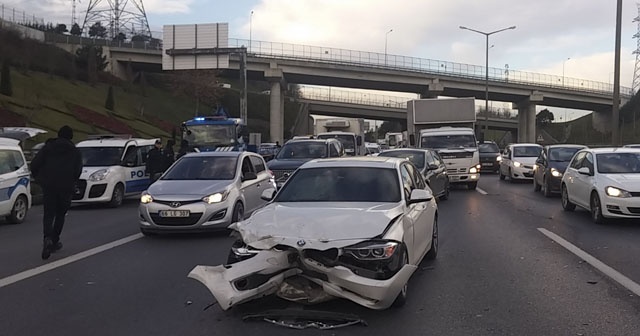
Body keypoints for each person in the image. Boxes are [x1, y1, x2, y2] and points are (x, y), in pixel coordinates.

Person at [30, 125, 83, 260]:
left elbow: (34, 164)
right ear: (70, 136)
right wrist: (71, 180)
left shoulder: (48, 148)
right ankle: (54, 240)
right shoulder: (75, 152)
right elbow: (78, 171)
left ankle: (47, 237)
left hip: (49, 186)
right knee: (60, 214)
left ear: (58, 134)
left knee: (48, 214)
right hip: (66, 187)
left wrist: (40, 179)